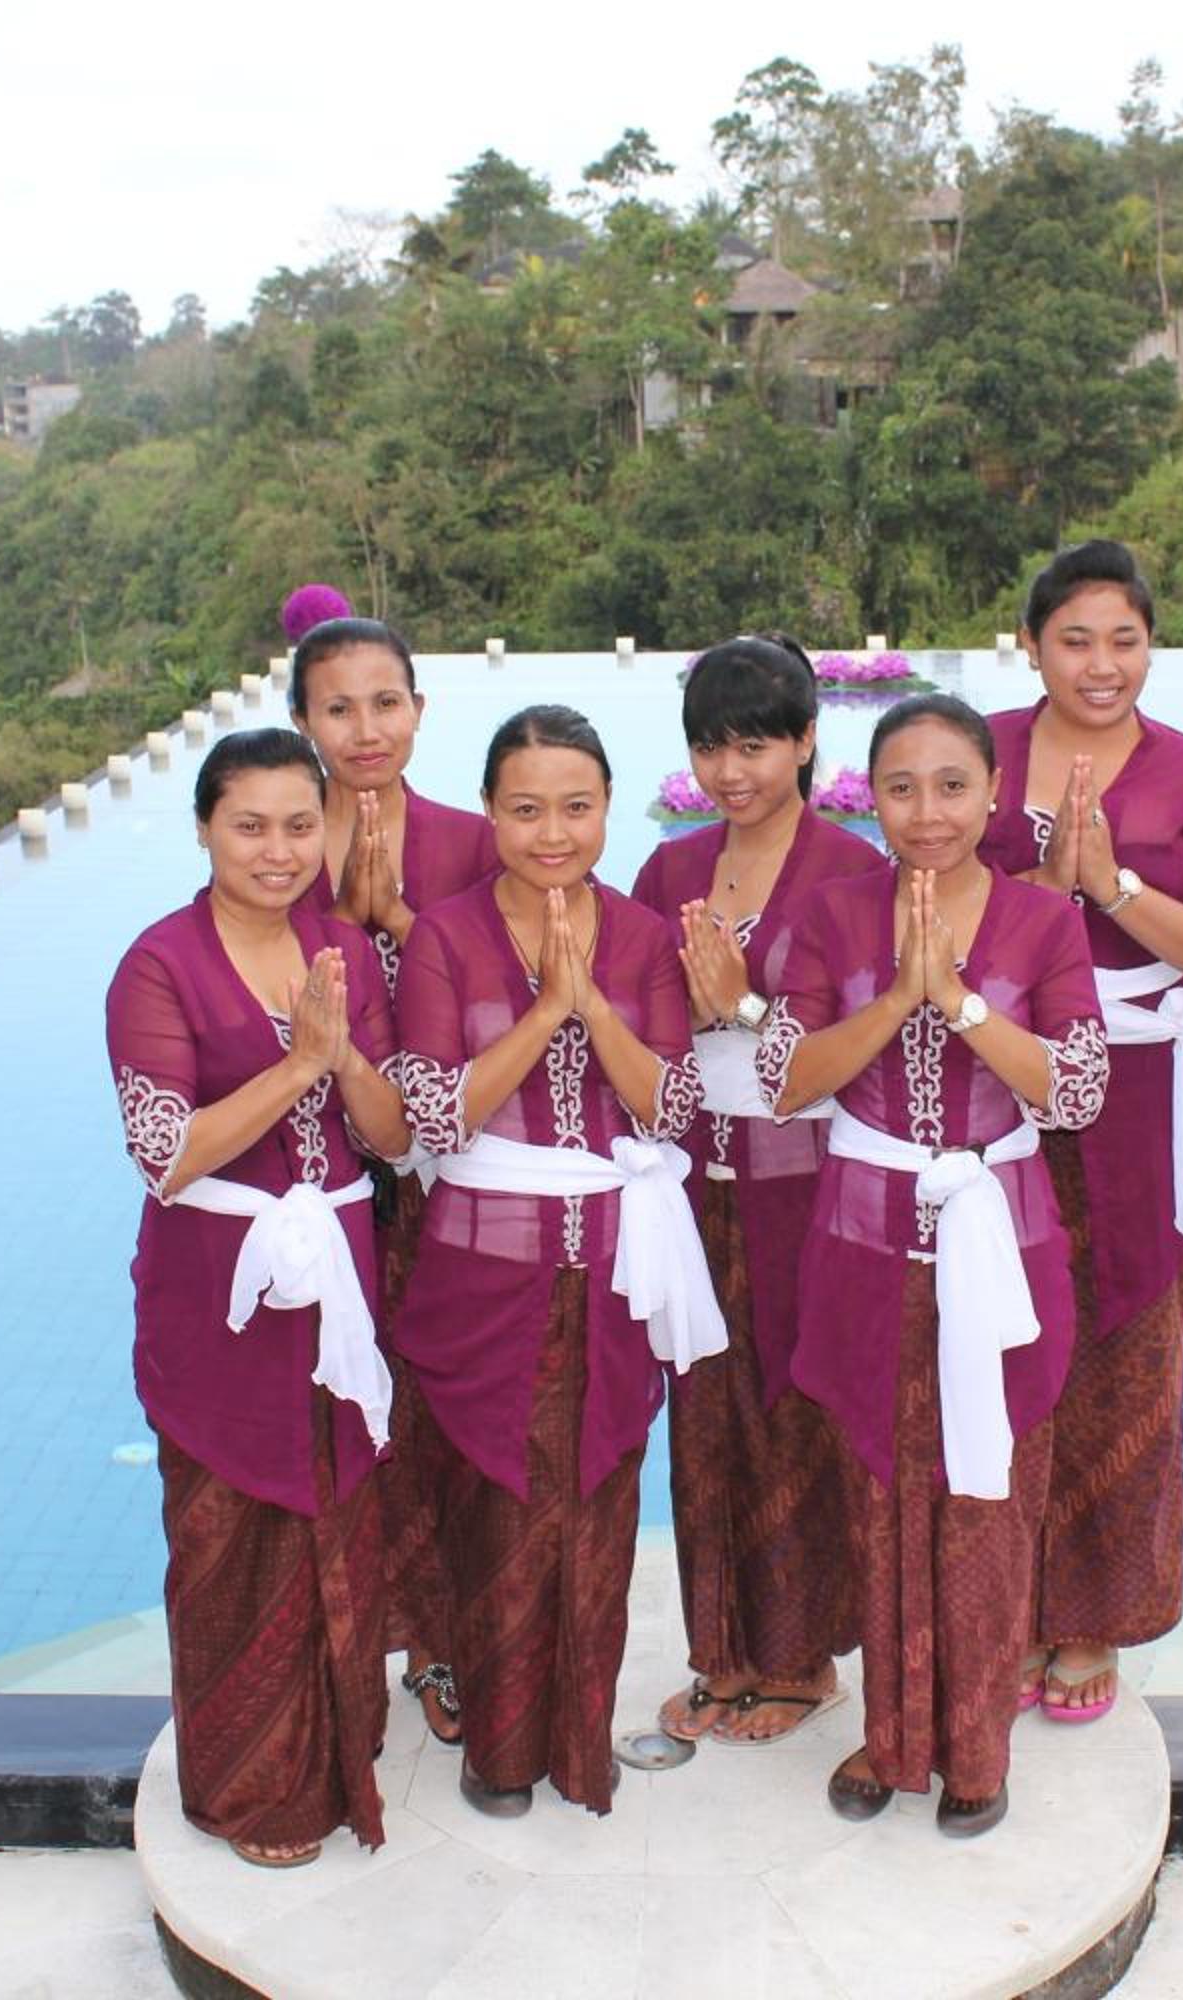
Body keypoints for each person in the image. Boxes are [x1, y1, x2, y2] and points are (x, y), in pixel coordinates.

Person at [760, 693, 1108, 1838]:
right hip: (862, 1249)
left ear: (994, 791)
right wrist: (898, 995)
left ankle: (976, 1748)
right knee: (877, 1494)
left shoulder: (1043, 921)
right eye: (901, 787)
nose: (927, 812)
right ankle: (891, 1735)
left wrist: (953, 999)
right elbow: (785, 1079)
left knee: (987, 1501)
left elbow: (1077, 1088)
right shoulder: (830, 914)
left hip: (1002, 1251)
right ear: (868, 796)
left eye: (953, 785)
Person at [382, 704, 722, 1816]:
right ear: (489, 810)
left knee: (597, 1506)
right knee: (494, 1506)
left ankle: (578, 1742)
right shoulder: (445, 937)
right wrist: (546, 1012)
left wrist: (594, 1007)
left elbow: (670, 1106)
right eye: (526, 809)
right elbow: (435, 1114)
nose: (553, 832)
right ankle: (498, 1746)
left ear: (608, 807)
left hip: (616, 1270)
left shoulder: (642, 934)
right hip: (482, 1271)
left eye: (577, 807)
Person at [981, 540, 1183, 1724]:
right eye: (1075, 639)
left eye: (1125, 639)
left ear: (1152, 644)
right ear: (1031, 645)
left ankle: (1091, 1614)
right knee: (998, 1338)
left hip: (1140, 1096)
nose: (1101, 664)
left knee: (1125, 1345)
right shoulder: (978, 758)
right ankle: (1002, 1598)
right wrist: (1044, 895)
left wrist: (1113, 889)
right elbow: (922, 903)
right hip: (998, 1078)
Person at [103, 727, 411, 1866]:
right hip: (219, 1298)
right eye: (249, 825)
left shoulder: (345, 951)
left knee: (341, 1512)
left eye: (297, 825)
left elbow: (393, 1135)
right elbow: (166, 1153)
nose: (277, 850)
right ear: (204, 829)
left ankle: (340, 1751)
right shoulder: (159, 964)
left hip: (337, 1278)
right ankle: (250, 1788)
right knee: (232, 1535)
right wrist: (297, 1064)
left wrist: (345, 1058)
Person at [628, 637, 886, 1747]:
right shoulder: (670, 873)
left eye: (755, 745)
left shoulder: (851, 873)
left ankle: (801, 1658)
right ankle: (723, 1653)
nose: (731, 771)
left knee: (796, 1406)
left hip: (809, 1177)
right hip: (693, 1176)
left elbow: (868, 1041)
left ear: (806, 740)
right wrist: (678, 1015)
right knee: (705, 1413)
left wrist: (737, 1008)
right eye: (710, 747)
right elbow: (633, 1017)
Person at [286, 612, 499, 1752]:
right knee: (333, 1414)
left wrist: (398, 923)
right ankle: (340, 1634)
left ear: (420, 709)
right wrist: (338, 921)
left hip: (451, 1177)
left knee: (443, 1411)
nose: (365, 729)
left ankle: (443, 1638)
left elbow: (517, 998)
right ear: (302, 721)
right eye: (338, 707)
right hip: (317, 1178)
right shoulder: (277, 844)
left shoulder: (474, 843)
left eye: (385, 702)